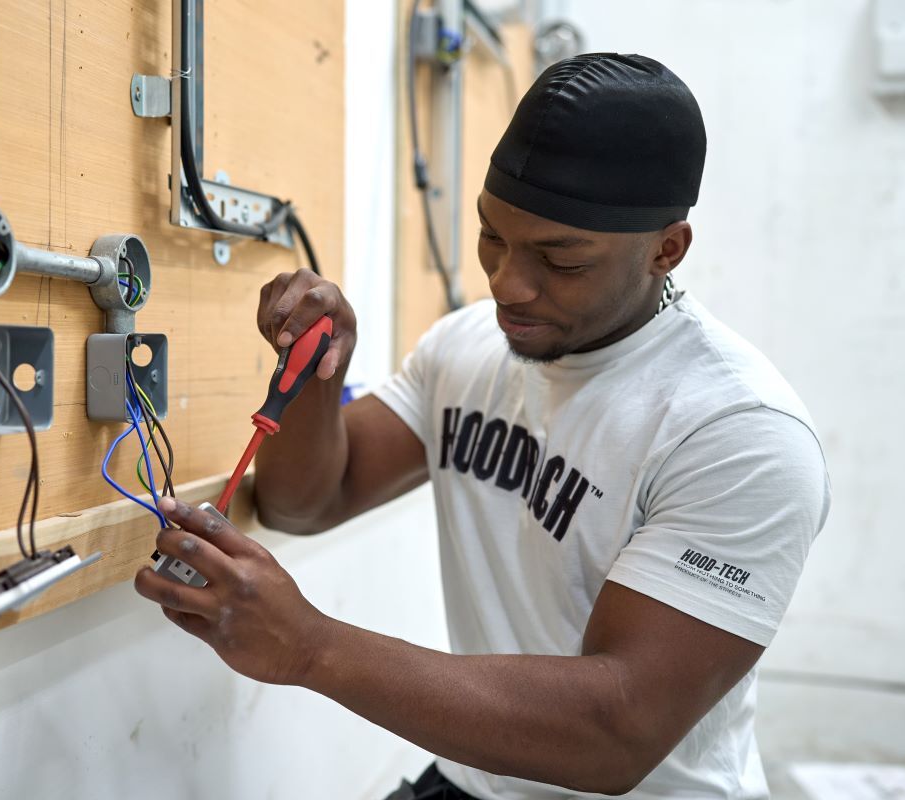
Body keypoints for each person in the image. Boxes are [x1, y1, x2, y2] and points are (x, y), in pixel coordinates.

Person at [135, 53, 831, 799]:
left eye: (559, 259)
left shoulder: (740, 435)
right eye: (491, 237)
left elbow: (615, 732)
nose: (507, 283)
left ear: (666, 249)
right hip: (479, 781)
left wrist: (311, 648)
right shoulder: (467, 347)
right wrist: (316, 370)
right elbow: (307, 502)